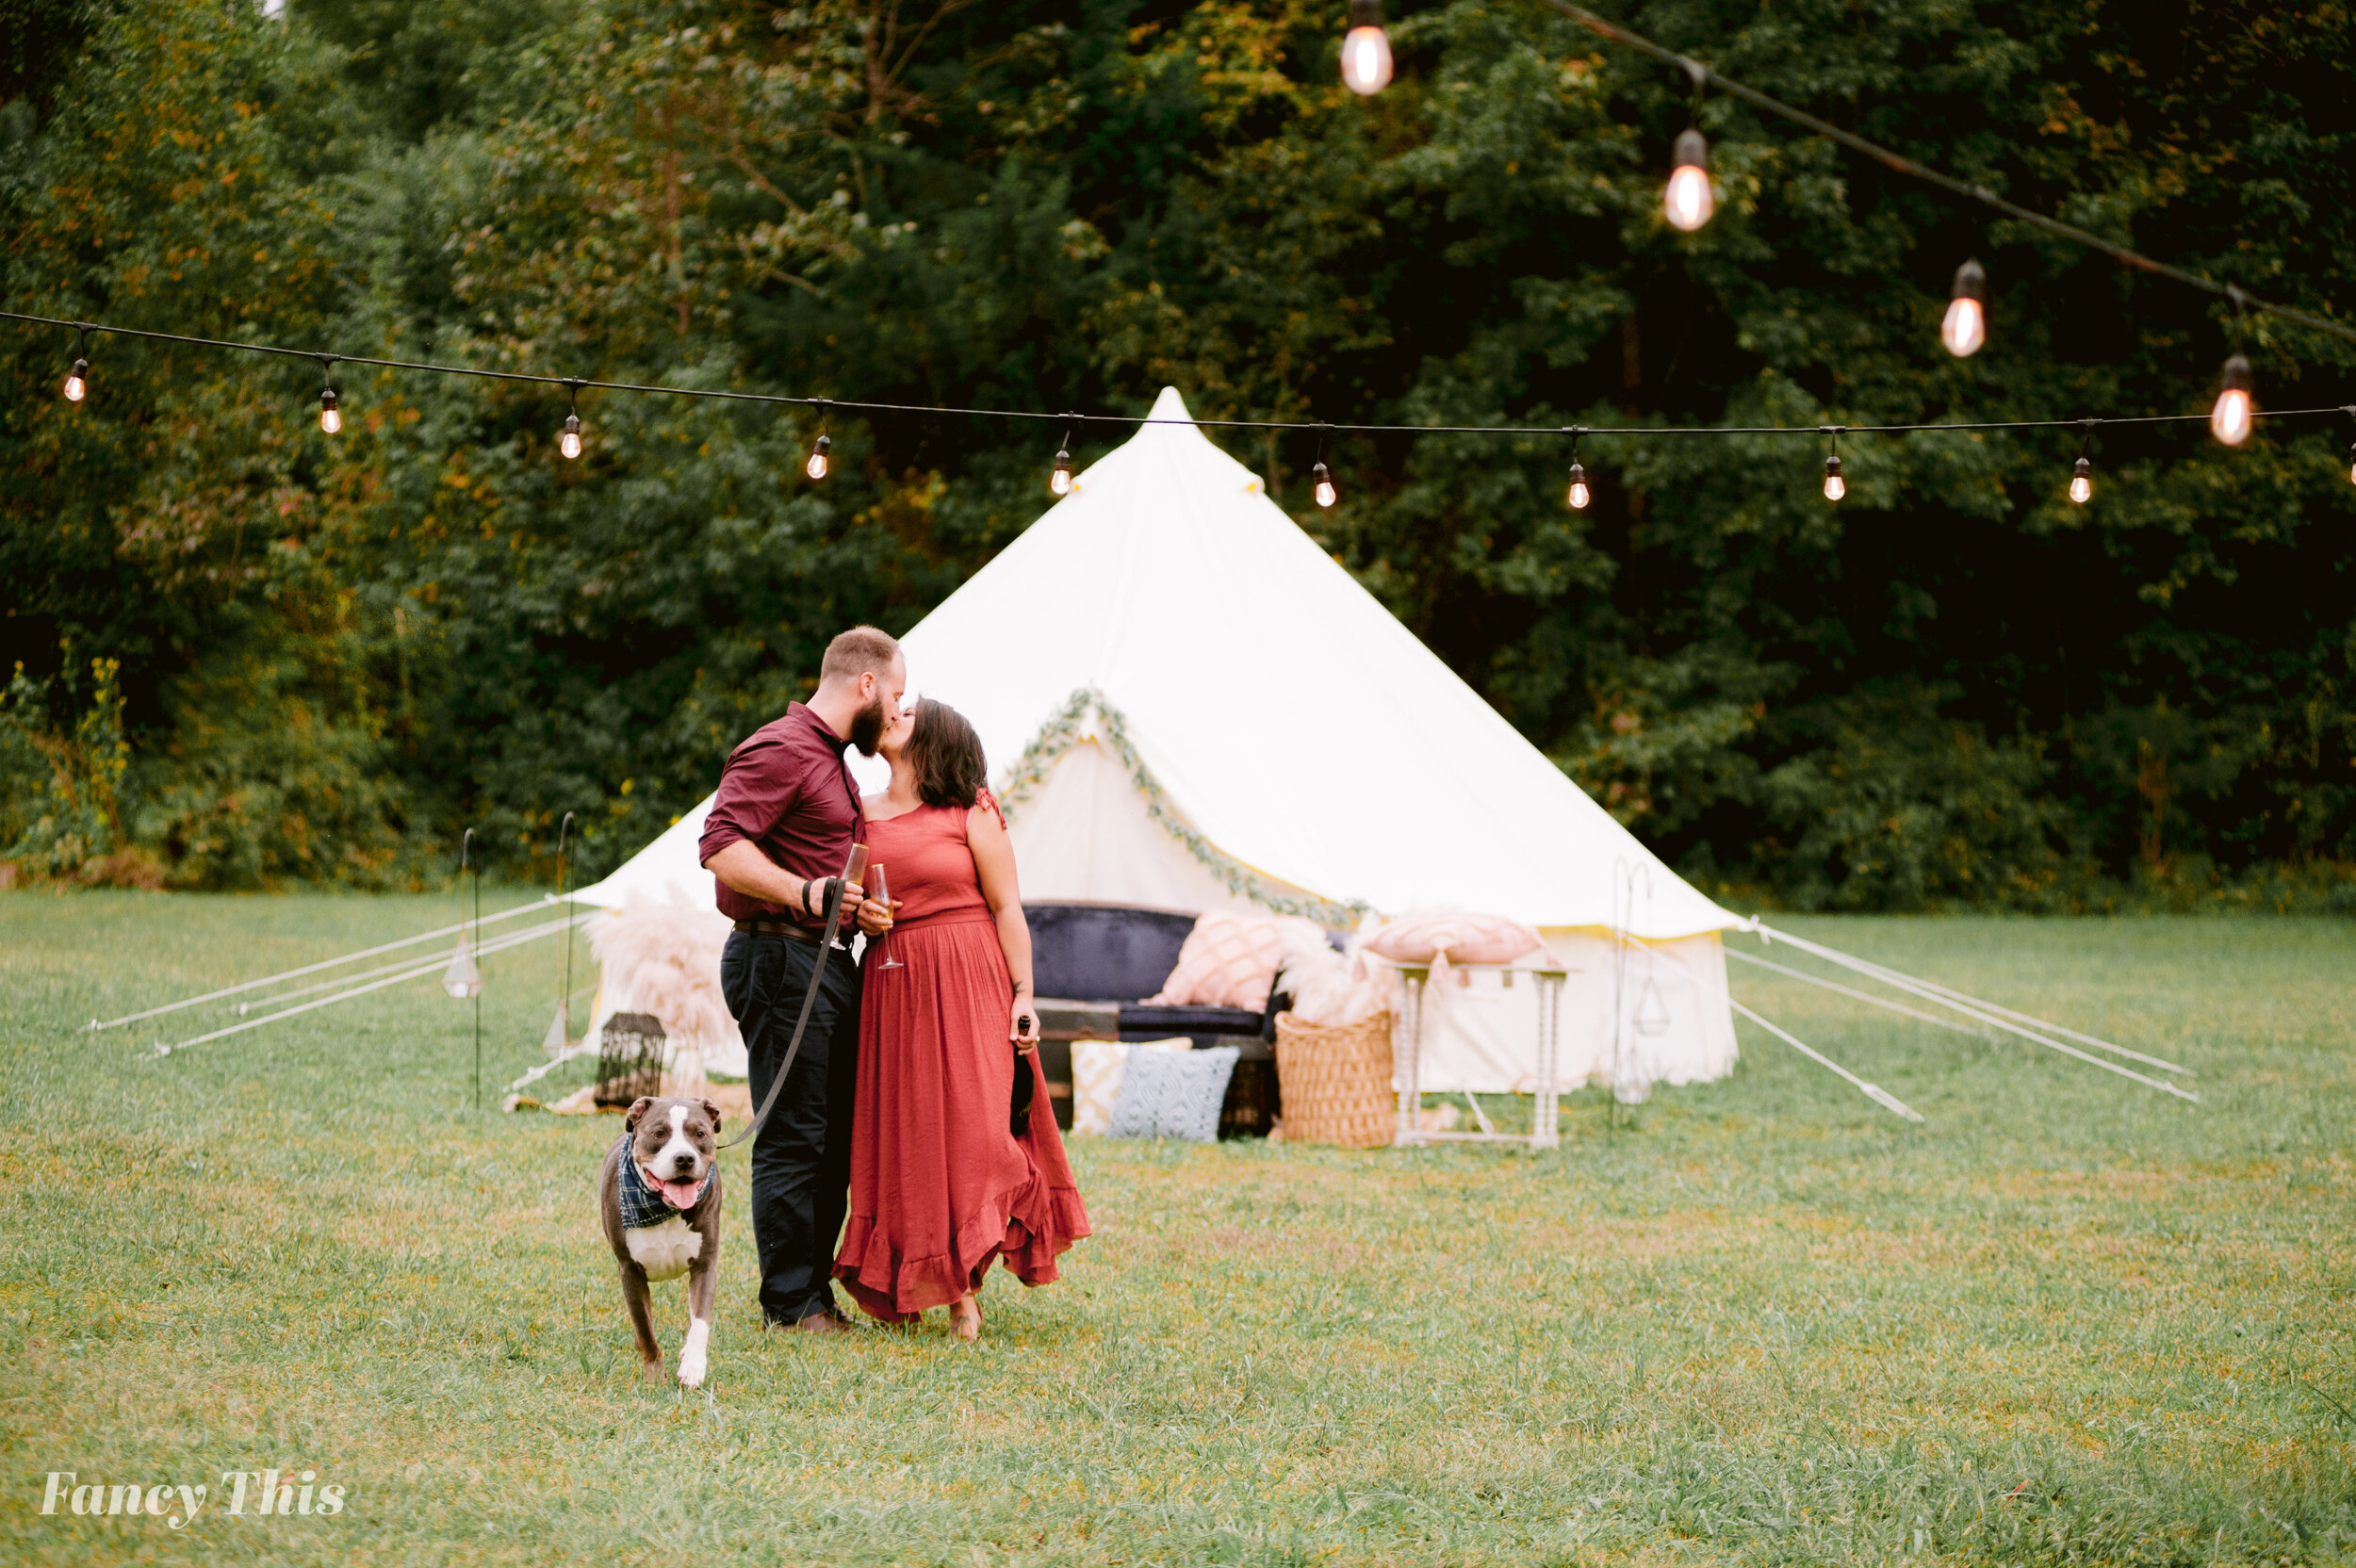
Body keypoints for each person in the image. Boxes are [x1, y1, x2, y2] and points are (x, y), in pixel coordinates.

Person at [834, 697, 1090, 1340]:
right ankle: (943, 1293)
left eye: (909, 713)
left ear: (939, 734)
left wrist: (1024, 994)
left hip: (972, 975)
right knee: (913, 1138)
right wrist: (860, 915)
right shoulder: (857, 813)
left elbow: (1008, 908)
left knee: (975, 1130)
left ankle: (967, 1273)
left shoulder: (970, 808)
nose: (893, 713)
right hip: (894, 983)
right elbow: (847, 898)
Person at [700, 627, 903, 1334]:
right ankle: (790, 1305)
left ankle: (812, 1293)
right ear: (867, 685)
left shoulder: (829, 759)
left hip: (824, 960)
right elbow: (720, 846)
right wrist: (807, 894)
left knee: (834, 1136)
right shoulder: (783, 748)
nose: (898, 709)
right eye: (897, 694)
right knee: (795, 1136)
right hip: (780, 958)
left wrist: (852, 912)